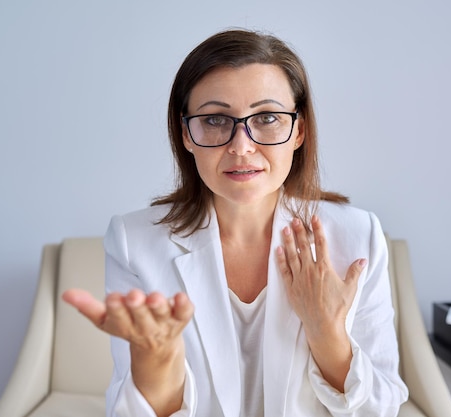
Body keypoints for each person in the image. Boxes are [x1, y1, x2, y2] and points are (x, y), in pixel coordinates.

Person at [63, 29, 408, 417]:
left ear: (299, 130)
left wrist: (327, 335)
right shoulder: (134, 241)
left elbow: (383, 408)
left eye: (266, 118)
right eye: (214, 119)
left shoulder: (358, 235)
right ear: (185, 134)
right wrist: (157, 363)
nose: (241, 146)